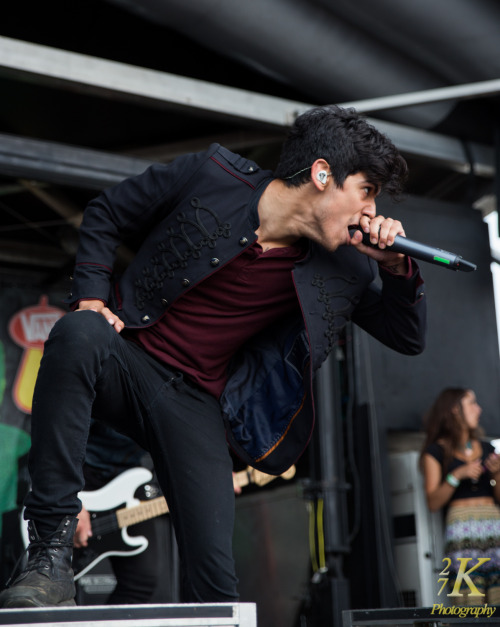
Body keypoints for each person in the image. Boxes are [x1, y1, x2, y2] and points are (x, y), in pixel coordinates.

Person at [0, 105, 426, 608]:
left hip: (196, 403)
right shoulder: (211, 174)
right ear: (321, 174)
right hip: (129, 360)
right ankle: (48, 556)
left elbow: (407, 336)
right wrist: (93, 300)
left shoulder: (346, 268)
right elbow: (107, 211)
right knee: (77, 331)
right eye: (367, 191)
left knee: (215, 583)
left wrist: (399, 267)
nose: (371, 212)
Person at [73, 421, 168, 604]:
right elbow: (62, 430)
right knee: (59, 586)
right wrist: (70, 498)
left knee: (141, 582)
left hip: (130, 478)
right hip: (81, 473)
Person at [420, 388, 500, 605]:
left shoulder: (486, 447)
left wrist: (497, 472)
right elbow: (433, 502)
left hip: (494, 526)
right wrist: (457, 475)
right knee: (469, 601)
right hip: (462, 531)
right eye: (472, 403)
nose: (479, 409)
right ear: (455, 410)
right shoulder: (435, 452)